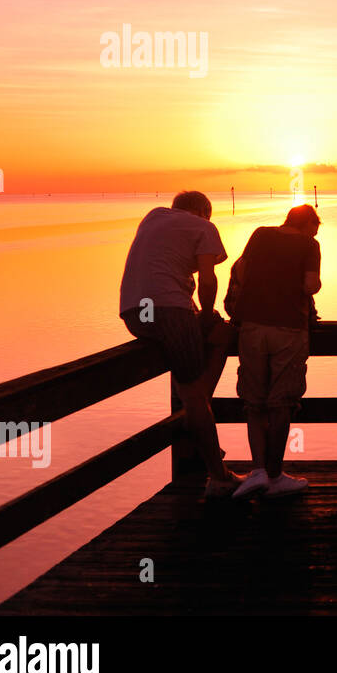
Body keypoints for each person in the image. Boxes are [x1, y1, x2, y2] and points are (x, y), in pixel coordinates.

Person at [119, 190, 242, 498]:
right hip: (170, 312)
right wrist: (208, 312)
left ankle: (200, 412)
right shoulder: (203, 226)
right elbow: (208, 278)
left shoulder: (152, 217)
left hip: (135, 314)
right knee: (195, 394)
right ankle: (219, 477)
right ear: (203, 210)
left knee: (212, 344)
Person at [228, 204, 321, 499]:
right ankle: (275, 474)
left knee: (254, 401)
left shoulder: (259, 235)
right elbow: (310, 285)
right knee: (282, 402)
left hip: (252, 326)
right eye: (314, 229)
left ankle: (257, 471)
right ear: (308, 224)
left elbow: (240, 270)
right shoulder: (309, 245)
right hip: (288, 328)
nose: (314, 234)